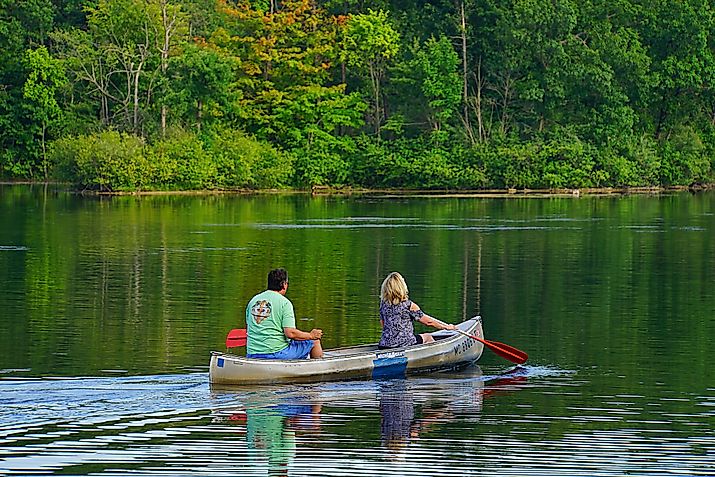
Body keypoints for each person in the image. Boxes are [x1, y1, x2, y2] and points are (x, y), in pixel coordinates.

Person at [246, 268, 323, 359]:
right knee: (314, 341)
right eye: (286, 283)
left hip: (252, 354)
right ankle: (317, 370)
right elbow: (290, 333)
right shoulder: (285, 303)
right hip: (276, 354)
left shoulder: (253, 301)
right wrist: (311, 335)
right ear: (283, 284)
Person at [378, 272, 456, 349]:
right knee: (427, 337)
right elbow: (429, 322)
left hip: (384, 345)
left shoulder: (383, 305)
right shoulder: (409, 305)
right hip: (405, 344)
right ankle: (435, 357)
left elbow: (383, 325)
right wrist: (446, 327)